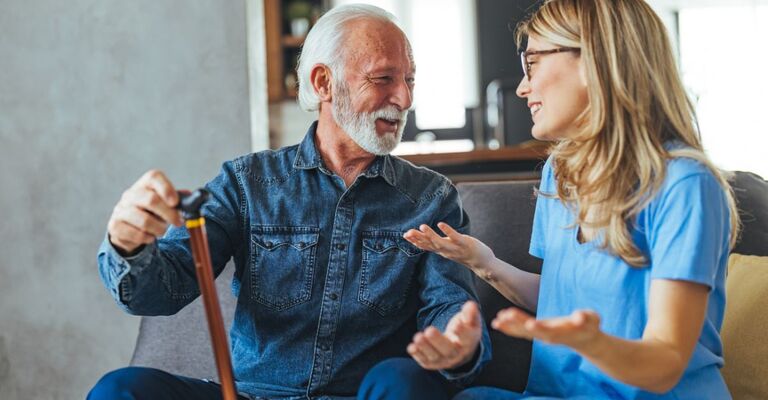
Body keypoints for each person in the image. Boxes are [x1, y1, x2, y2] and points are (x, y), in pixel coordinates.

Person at [88, 4, 491, 400]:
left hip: (367, 394)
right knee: (120, 389)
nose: (403, 98)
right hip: (254, 395)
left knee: (404, 379)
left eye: (410, 80)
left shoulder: (432, 197)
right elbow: (165, 290)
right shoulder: (246, 183)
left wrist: (459, 344)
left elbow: (449, 306)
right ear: (323, 83)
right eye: (384, 78)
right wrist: (128, 243)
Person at [359, 0, 740, 399]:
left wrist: (590, 343)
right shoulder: (561, 170)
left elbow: (664, 364)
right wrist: (484, 263)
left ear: (594, 59)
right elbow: (561, 297)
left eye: (533, 62)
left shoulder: (684, 185)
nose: (523, 87)